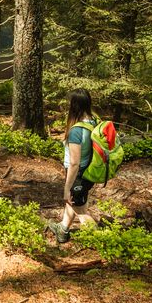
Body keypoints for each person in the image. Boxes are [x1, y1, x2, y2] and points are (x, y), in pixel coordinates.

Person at [48, 88, 97, 243]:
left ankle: (103, 241)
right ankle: (63, 230)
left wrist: (67, 187)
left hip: (78, 174)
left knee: (81, 211)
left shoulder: (77, 131)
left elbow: (74, 163)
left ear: (74, 106)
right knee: (75, 202)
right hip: (88, 171)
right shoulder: (93, 122)